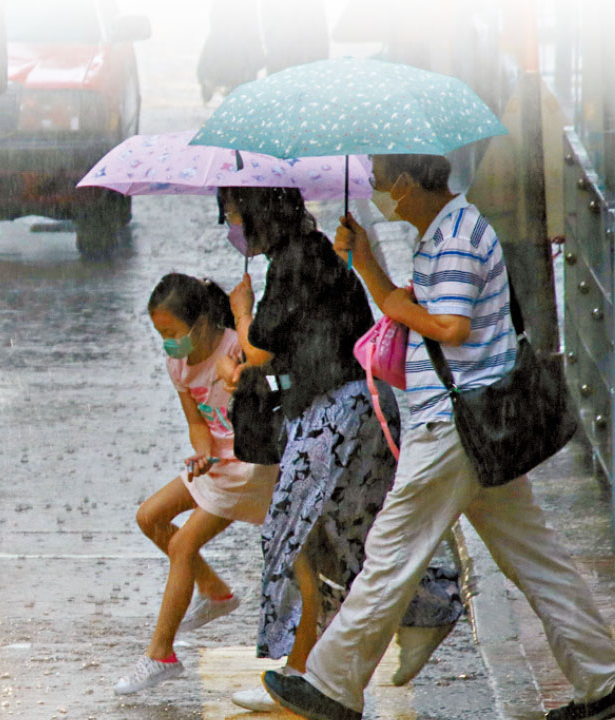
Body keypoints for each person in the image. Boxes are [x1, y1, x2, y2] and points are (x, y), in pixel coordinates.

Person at [262, 154, 615, 720]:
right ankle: (603, 684)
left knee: (391, 554)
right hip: (472, 427)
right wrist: (381, 277)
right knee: (537, 558)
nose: (376, 191)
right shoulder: (448, 231)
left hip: (453, 425)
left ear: (407, 183)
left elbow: (450, 327)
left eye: (380, 182)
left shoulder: (454, 235)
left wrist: (373, 274)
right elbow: (438, 313)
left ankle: (331, 685)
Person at [217, 186, 465, 713]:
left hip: (337, 417)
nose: (232, 227)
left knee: (296, 539)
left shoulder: (294, 261)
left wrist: (240, 312)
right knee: (345, 540)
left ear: (258, 214)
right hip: (354, 411)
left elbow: (261, 346)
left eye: (235, 215)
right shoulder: (307, 254)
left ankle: (320, 662)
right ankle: (311, 669)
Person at [113, 274, 279, 695]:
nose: (167, 343)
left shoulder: (234, 346)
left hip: (249, 465)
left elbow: (268, 367)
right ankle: (215, 591)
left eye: (171, 333)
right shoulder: (178, 365)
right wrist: (201, 452)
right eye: (160, 335)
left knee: (183, 545)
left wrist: (243, 352)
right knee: (149, 517)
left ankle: (160, 655)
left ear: (202, 322)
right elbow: (196, 422)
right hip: (218, 463)